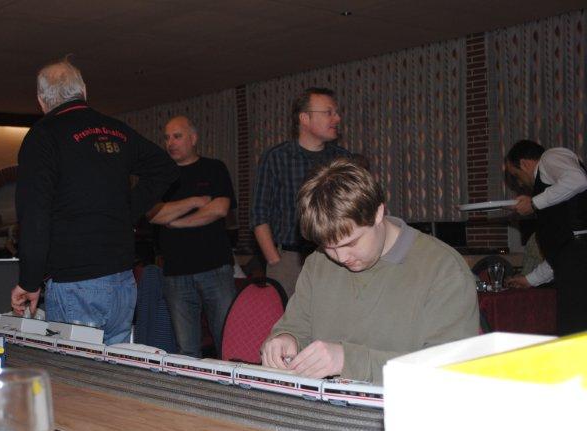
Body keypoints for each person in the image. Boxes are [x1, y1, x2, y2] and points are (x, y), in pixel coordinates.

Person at [259, 159, 478, 384]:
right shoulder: (318, 263)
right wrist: (286, 339)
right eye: (328, 246)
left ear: (378, 213)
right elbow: (294, 327)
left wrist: (348, 361)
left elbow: (450, 371)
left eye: (351, 243)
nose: (341, 258)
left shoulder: (443, 269)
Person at [11, 58, 179, 344]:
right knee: (115, 366)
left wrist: (29, 280)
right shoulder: (116, 129)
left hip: (75, 282)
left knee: (76, 370)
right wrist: (126, 212)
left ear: (41, 100)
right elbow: (165, 168)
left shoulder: (43, 136)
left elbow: (34, 216)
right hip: (123, 280)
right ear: (84, 91)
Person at [147, 116, 237, 357]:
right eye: (167, 138)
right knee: (186, 350)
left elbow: (219, 209)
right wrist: (196, 201)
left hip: (216, 269)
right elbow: (154, 215)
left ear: (193, 138)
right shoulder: (160, 176)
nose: (170, 143)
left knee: (227, 342)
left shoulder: (214, 168)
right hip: (176, 274)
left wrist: (176, 222)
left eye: (177, 136)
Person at [250, 87, 351, 298]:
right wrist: (274, 260)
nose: (337, 118)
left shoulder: (343, 158)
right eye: (329, 112)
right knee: (288, 318)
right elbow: (259, 214)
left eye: (336, 112)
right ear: (304, 118)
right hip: (289, 261)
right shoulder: (276, 157)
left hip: (336, 258)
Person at [504, 140, 587, 335]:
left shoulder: (550, 157)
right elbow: (563, 249)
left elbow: (579, 180)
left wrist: (534, 203)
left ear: (524, 164)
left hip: (578, 261)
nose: (519, 184)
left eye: (516, 176)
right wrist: (530, 280)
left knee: (574, 332)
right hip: (574, 259)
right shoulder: (553, 193)